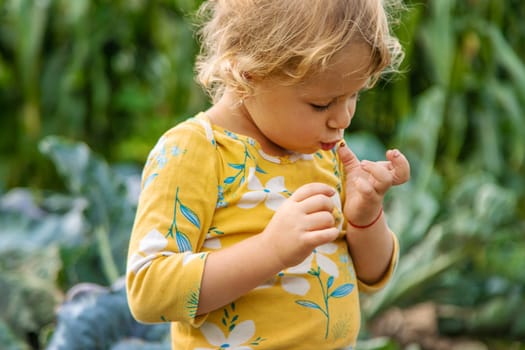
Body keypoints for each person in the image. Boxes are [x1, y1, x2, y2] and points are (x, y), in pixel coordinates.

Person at [126, 0, 410, 349]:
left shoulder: (324, 153)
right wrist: (270, 251)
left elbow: (373, 275)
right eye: (322, 104)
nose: (344, 118)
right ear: (249, 73)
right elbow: (148, 289)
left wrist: (366, 218)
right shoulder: (195, 151)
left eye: (354, 95)